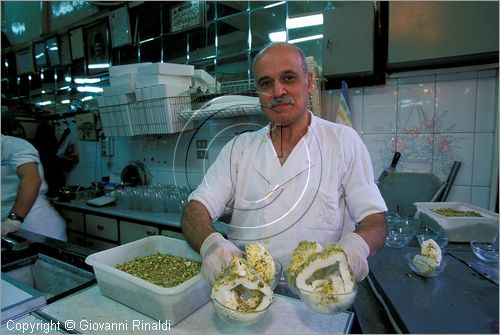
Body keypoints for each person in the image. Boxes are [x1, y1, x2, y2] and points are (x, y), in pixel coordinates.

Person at [181, 42, 387, 286]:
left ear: (308, 82)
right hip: (243, 291)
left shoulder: (342, 142)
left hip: (318, 295)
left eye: (288, 78)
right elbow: (195, 211)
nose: (277, 91)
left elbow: (375, 221)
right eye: (266, 83)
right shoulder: (239, 148)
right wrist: (212, 245)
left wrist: (354, 249)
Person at [1, 134, 67, 241]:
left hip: (35, 226)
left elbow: (31, 179)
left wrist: (13, 220)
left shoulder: (13, 145)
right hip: (6, 228)